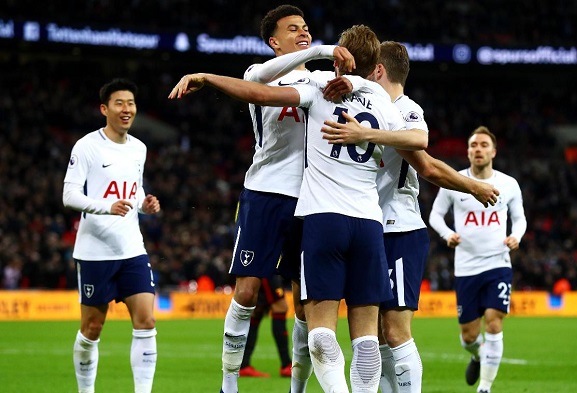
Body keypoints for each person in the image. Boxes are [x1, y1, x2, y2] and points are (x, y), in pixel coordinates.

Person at [169, 23, 429, 393]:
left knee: (321, 332)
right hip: (370, 225)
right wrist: (367, 133)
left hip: (323, 219)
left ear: (342, 57)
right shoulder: (383, 101)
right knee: (368, 341)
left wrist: (208, 79)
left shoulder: (319, 87)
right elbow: (420, 139)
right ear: (375, 66)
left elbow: (258, 93)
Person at [170, 5, 356, 393]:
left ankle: (297, 388)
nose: (303, 33)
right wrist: (322, 47)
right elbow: (261, 80)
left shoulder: (324, 80)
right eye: (293, 29)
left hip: (312, 199)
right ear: (274, 41)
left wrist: (350, 81)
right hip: (266, 191)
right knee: (248, 291)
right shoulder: (257, 72)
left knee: (305, 304)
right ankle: (229, 384)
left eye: (305, 28)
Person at [319, 41, 501, 393]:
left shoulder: (405, 110)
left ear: (378, 71)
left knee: (396, 331)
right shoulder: (365, 105)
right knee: (370, 336)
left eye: (368, 67)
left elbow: (427, 162)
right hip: (366, 227)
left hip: (399, 228)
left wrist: (471, 186)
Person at [63, 78, 161, 393]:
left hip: (132, 248)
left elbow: (134, 193)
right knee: (92, 328)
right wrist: (106, 207)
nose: (126, 109)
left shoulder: (139, 148)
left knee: (146, 322)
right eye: (119, 103)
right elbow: (70, 196)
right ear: (105, 108)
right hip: (95, 251)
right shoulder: (87, 146)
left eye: (130, 103)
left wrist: (145, 205)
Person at [428, 126, 526, 393]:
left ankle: (484, 387)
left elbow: (519, 219)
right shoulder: (455, 181)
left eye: (483, 145)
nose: (478, 149)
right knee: (469, 336)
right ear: (468, 151)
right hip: (466, 267)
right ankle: (475, 354)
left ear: (493, 151)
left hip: (498, 263)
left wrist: (516, 236)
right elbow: (435, 215)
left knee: (494, 321)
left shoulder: (508, 184)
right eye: (473, 145)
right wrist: (447, 234)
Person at [238, 275, 293, 378]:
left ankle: (244, 365)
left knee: (257, 311)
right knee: (280, 306)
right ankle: (286, 364)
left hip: (264, 268)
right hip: (267, 269)